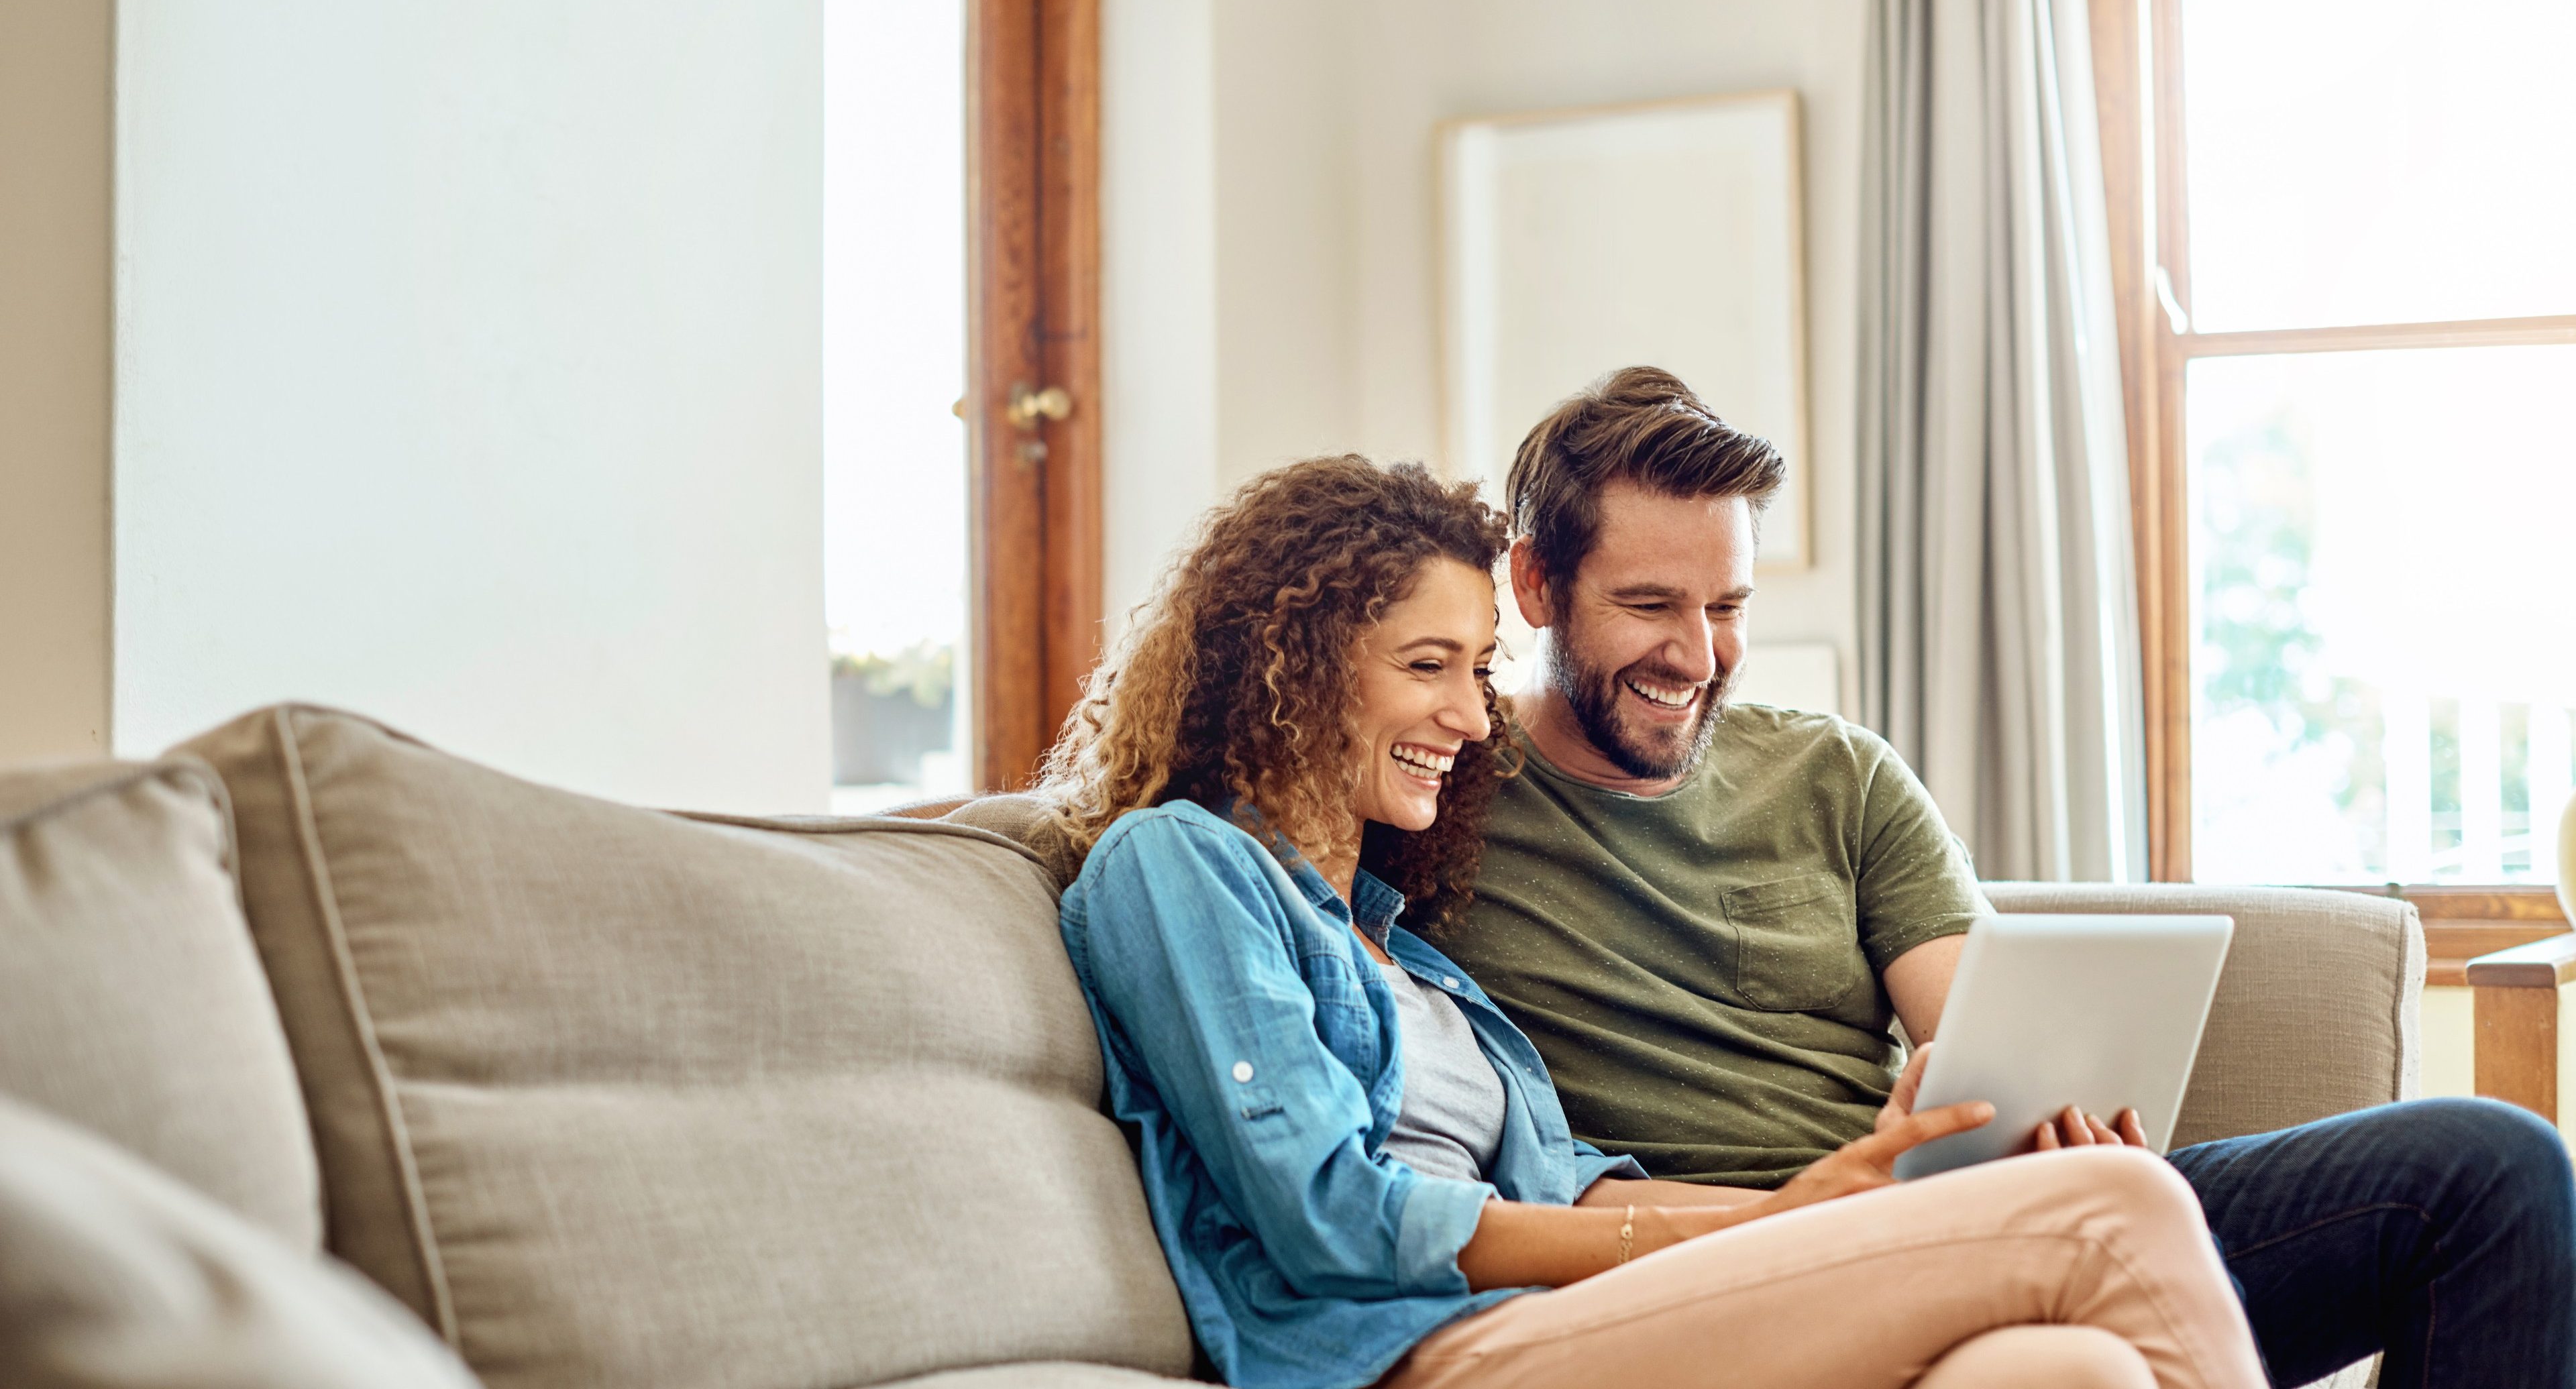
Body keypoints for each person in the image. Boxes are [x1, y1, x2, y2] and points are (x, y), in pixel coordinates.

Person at [1428, 365, 2576, 1389]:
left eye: (1727, 606)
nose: (1698, 653)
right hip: (1736, 1269)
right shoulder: (1434, 804)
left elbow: (1985, 1041)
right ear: (1535, 585)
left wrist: (2058, 1119)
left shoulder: (1835, 776)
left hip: (1985, 1215)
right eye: (1649, 606)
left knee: (2491, 1170)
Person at [1037, 454, 2268, 1389]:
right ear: (1292, 664)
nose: (1474, 720)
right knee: (2125, 1205)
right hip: (1408, 1355)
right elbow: (1333, 1218)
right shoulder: (1178, 866)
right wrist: (1735, 1236)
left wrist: (1834, 1204)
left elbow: (1564, 1188)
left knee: (2064, 1373)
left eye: (1478, 671)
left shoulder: (1400, 942)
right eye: (1428, 666)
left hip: (1541, 1321)